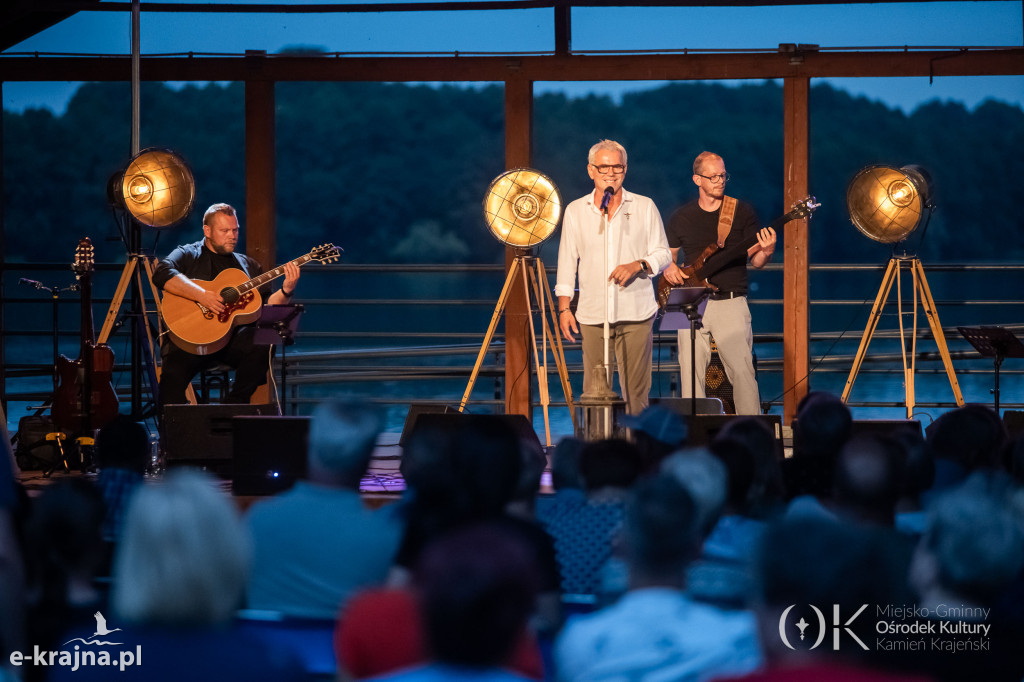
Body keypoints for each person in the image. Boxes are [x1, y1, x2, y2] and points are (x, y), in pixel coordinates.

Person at [246, 398, 402, 618]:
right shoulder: (385, 536)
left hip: (267, 649)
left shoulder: (258, 520)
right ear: (369, 456)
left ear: (309, 442)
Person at [555, 139, 671, 415]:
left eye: (617, 166)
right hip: (593, 314)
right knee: (595, 392)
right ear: (591, 170)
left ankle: (638, 452)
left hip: (636, 312)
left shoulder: (644, 206)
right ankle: (597, 451)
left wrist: (639, 264)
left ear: (625, 169)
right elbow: (566, 262)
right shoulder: (575, 210)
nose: (611, 172)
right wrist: (563, 308)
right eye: (604, 166)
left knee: (636, 393)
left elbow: (663, 253)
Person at [152, 203, 300, 406]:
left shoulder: (248, 266)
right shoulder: (187, 254)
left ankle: (232, 407)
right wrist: (203, 295)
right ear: (208, 231)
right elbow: (161, 272)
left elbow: (267, 307)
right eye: (225, 230)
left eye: (235, 229)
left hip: (229, 342)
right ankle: (174, 433)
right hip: (188, 342)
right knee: (170, 393)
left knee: (265, 340)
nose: (232, 235)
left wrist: (286, 291)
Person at [662, 152, 776, 416]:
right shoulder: (681, 217)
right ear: (697, 179)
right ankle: (696, 430)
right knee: (689, 372)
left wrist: (768, 251)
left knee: (742, 370)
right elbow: (668, 257)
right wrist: (669, 267)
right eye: (713, 176)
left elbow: (757, 261)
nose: (720, 181)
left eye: (723, 175)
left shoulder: (741, 211)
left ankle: (751, 429)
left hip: (730, 299)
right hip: (689, 299)